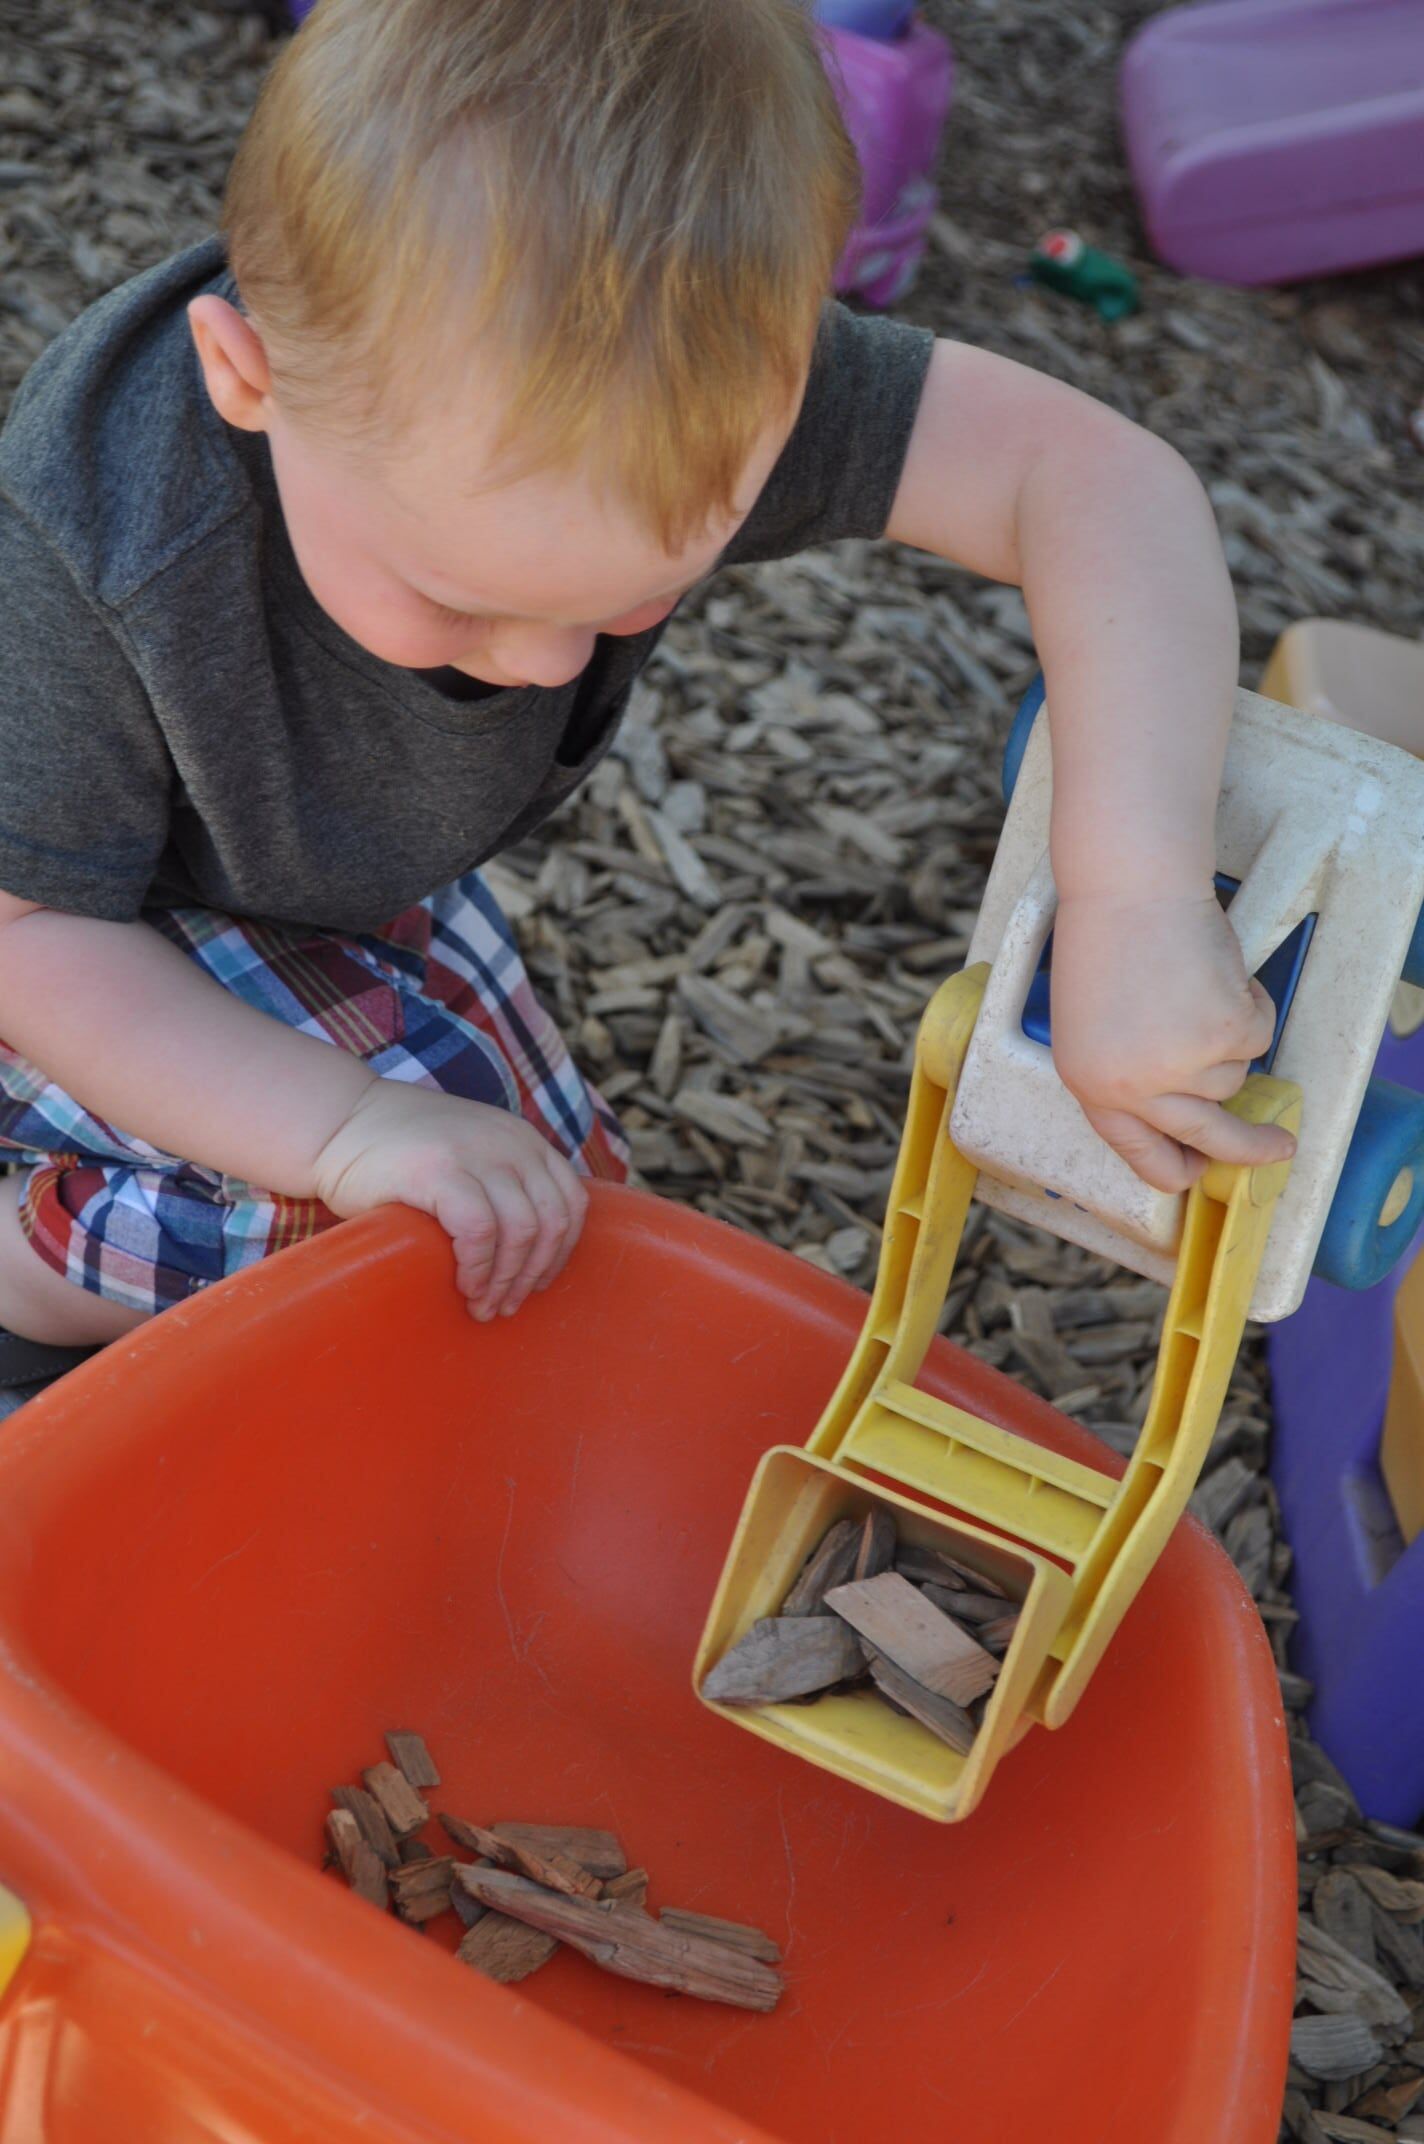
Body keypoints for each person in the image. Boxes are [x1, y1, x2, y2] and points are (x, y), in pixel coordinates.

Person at [0, 0, 1292, 1401]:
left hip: (298, 885)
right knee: (372, 1211)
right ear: (246, 379)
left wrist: (1137, 899)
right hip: (67, 923)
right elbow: (38, 938)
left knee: (531, 1208)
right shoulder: (95, 548)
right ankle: (29, 1271)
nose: (548, 666)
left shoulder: (674, 370)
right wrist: (344, 1129)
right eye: (457, 600)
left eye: (633, 595)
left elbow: (1095, 479)